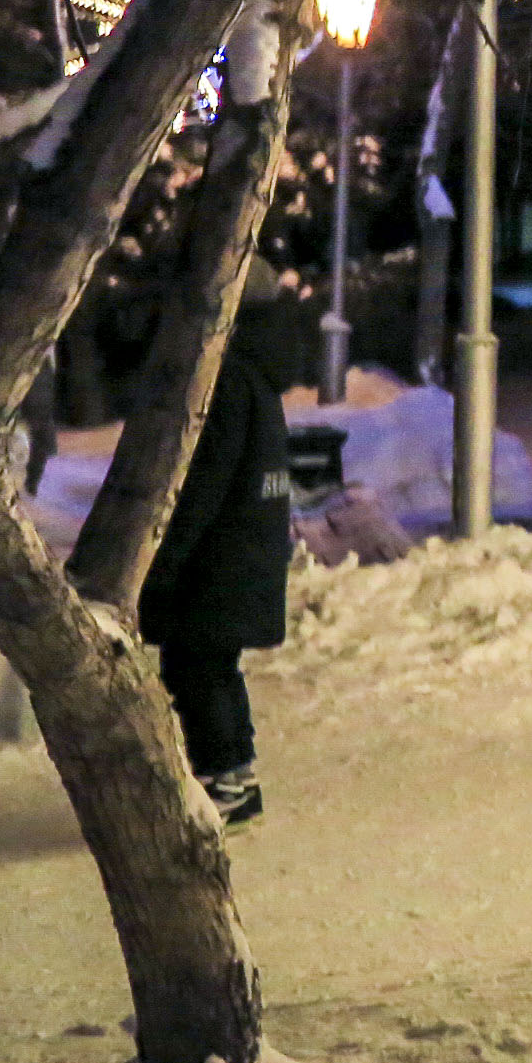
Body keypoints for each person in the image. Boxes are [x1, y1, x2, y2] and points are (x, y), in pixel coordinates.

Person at [136, 262, 307, 827]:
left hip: (219, 556)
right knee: (210, 665)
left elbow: (206, 481)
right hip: (243, 549)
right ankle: (235, 775)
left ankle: (227, 777)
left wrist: (165, 555)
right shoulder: (254, 373)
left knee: (197, 667)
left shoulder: (227, 378)